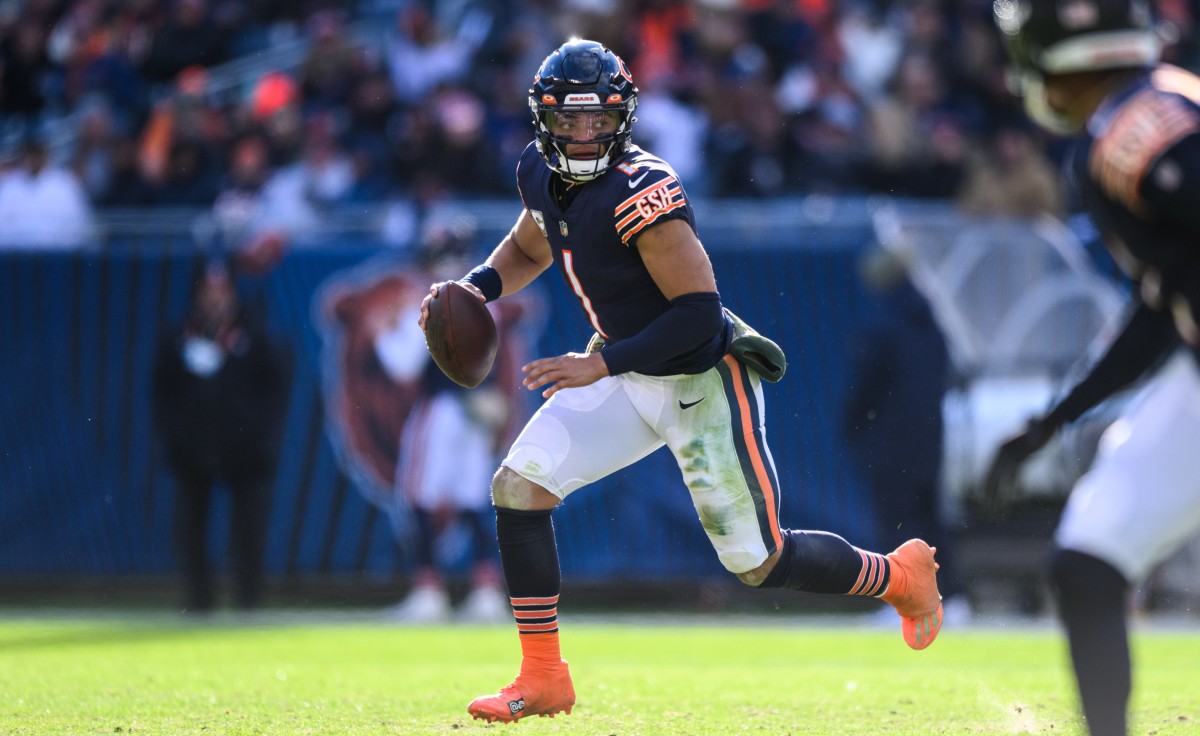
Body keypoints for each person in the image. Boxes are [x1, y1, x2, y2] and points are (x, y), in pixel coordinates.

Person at [416, 39, 944, 724]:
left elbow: (697, 319)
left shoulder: (643, 190)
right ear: (544, 120)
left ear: (622, 118)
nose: (582, 135)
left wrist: (597, 364)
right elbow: (530, 241)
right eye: (569, 121)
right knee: (519, 488)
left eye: (597, 120)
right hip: (624, 368)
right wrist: (475, 288)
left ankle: (901, 576)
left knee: (758, 560)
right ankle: (543, 676)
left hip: (698, 381)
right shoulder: (539, 173)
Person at [984, 2, 1200, 734]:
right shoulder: (1164, 100)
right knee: (1089, 559)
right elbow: (1164, 304)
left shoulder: (1131, 131)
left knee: (1089, 563)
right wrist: (1057, 418)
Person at [384, 217, 515, 624]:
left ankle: (429, 592)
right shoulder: (480, 295)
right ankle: (486, 592)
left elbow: (401, 362)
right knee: (473, 499)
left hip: (441, 409)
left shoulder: (430, 299)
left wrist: (391, 329)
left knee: (419, 496)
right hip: (476, 410)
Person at [152, 259, 291, 613]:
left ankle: (249, 598)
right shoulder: (178, 337)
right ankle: (199, 599)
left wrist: (259, 438)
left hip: (244, 450)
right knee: (191, 527)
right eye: (208, 291)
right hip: (192, 449)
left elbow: (274, 392)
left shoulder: (255, 337)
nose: (215, 299)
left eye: (221, 291)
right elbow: (161, 393)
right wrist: (177, 439)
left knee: (248, 528)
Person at [843, 247, 969, 620]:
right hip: (930, 439)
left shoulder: (883, 325)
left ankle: (904, 602)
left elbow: (866, 388)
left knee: (897, 519)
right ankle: (954, 601)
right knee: (929, 519)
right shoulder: (933, 324)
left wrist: (852, 426)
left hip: (891, 441)